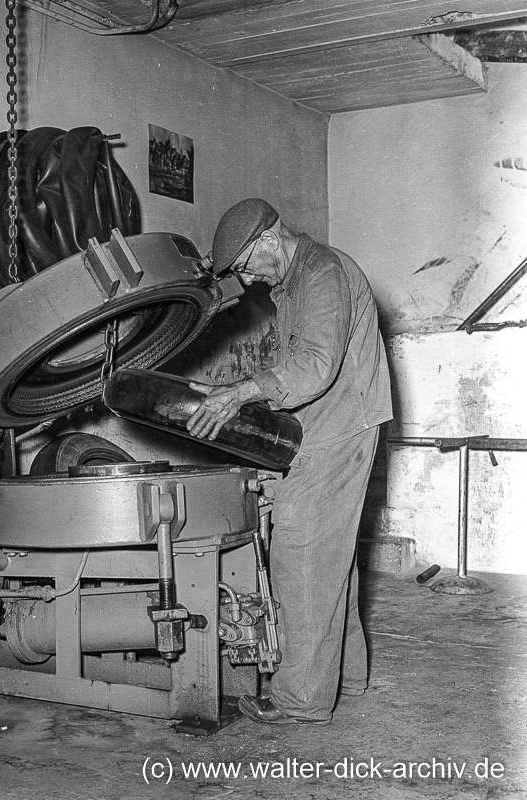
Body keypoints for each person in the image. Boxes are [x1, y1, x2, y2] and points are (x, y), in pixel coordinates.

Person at [187, 198, 392, 726]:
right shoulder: (294, 282)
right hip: (328, 425)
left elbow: (316, 367)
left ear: (268, 239)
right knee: (329, 554)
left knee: (300, 548)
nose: (248, 279)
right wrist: (244, 395)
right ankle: (345, 677)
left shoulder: (322, 271)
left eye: (246, 265)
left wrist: (242, 392)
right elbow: (296, 367)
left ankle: (301, 699)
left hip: (340, 426)